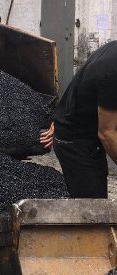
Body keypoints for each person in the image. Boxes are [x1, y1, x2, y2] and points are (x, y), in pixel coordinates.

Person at [40, 41, 117, 198]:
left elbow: (82, 85)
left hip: (86, 129)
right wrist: (64, 118)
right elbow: (107, 134)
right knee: (92, 205)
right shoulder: (112, 72)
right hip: (76, 142)